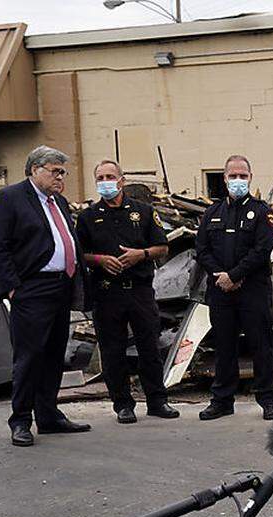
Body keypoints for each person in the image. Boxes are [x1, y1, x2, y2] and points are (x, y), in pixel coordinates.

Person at [0, 145, 92, 447]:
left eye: (63, 172)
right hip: (32, 288)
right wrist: (13, 286)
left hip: (61, 286)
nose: (61, 177)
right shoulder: (10, 198)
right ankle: (20, 420)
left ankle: (48, 415)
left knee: (54, 354)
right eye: (55, 171)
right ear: (34, 169)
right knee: (29, 355)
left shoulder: (57, 201)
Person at [75, 160, 180, 424]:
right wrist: (98, 260)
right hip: (107, 292)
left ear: (121, 180)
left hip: (140, 291)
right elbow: (78, 254)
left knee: (149, 348)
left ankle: (158, 401)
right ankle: (122, 404)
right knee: (113, 351)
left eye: (110, 176)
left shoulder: (143, 211)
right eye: (100, 177)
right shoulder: (88, 217)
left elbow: (162, 247)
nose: (106, 181)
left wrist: (140, 255)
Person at [194, 155, 273, 421]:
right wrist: (222, 276)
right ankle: (222, 400)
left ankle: (268, 398)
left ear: (250, 177)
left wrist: (235, 274)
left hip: (252, 289)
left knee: (261, 344)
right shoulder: (212, 213)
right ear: (224, 178)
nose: (238, 180)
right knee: (224, 346)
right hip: (220, 291)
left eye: (243, 175)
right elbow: (202, 249)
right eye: (233, 176)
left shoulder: (263, 212)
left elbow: (262, 249)